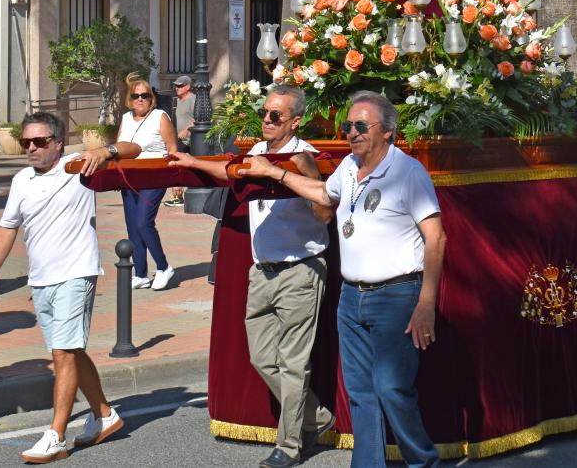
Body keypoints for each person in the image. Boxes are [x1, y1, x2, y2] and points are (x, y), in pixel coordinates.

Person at [275, 91, 444, 467]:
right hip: (351, 298)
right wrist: (276, 173)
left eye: (361, 125)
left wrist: (426, 304)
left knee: (392, 389)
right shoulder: (349, 167)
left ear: (386, 131)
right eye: (348, 125)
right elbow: (323, 193)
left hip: (397, 296)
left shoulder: (408, 172)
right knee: (360, 393)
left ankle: (424, 462)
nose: (352, 132)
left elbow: (437, 237)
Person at [172, 86, 333, 468]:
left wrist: (282, 173)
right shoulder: (257, 152)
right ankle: (317, 417)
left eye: (276, 116)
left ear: (294, 122)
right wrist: (191, 162)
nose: (266, 119)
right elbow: (228, 172)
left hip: (300, 271)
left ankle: (290, 446)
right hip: (261, 272)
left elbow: (326, 210)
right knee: (262, 358)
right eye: (265, 112)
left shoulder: (305, 156)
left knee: (294, 364)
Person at [0, 113, 121, 463]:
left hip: (77, 272)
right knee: (68, 351)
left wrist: (108, 150)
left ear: (58, 143)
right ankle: (105, 414)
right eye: (26, 141)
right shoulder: (21, 180)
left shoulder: (77, 167)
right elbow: (7, 227)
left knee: (63, 352)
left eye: (40, 141)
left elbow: (135, 151)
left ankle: (56, 435)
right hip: (40, 278)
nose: (31, 148)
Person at [85, 76, 178, 290]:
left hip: (155, 175)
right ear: (130, 98)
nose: (140, 99)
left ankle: (164, 267)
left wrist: (176, 180)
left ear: (151, 98)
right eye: (136, 96)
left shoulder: (160, 117)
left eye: (145, 95)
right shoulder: (126, 118)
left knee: (143, 222)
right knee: (132, 226)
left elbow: (173, 148)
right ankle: (141, 273)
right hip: (129, 177)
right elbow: (119, 147)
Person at [165, 75, 196, 207]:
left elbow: (202, 119)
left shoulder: (193, 99)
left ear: (188, 86)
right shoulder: (178, 100)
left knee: (180, 166)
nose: (177, 88)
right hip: (180, 141)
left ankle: (180, 196)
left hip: (191, 140)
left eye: (180, 85)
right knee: (176, 165)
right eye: (176, 85)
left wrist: (187, 130)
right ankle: (178, 196)